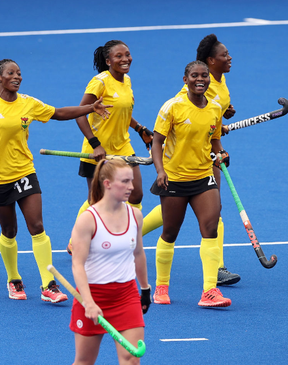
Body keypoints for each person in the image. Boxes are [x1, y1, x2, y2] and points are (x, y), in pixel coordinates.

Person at [0, 59, 111, 302]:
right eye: (11, 73)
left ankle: (48, 284)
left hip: (25, 172)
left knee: (37, 226)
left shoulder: (28, 103)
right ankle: (14, 278)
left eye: (19, 73)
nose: (17, 76)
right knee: (9, 231)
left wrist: (90, 108)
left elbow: (58, 113)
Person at [142, 34, 241, 286]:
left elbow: (214, 113)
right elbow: (184, 111)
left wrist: (223, 115)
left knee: (212, 211)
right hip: (180, 160)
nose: (229, 58)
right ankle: (130, 238)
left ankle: (216, 269)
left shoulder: (219, 79)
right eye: (224, 55)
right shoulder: (186, 93)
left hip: (205, 155)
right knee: (174, 217)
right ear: (210, 61)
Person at [149, 60, 231, 307]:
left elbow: (214, 140)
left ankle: (209, 291)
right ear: (185, 80)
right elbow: (156, 142)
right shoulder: (172, 107)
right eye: (195, 75)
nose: (200, 79)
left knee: (210, 229)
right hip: (174, 179)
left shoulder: (215, 109)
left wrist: (222, 154)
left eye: (204, 76)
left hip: (203, 177)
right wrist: (160, 171)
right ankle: (161, 287)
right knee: (170, 233)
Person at [69, 40, 159, 253]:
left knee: (136, 194)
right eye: (118, 56)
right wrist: (95, 144)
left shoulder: (126, 80)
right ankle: (77, 239)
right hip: (99, 151)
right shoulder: (99, 82)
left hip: (123, 146)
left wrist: (139, 128)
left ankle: (130, 236)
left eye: (127, 54)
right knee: (96, 201)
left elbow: (121, 111)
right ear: (108, 61)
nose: (125, 59)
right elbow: (80, 114)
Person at [70, 158, 151, 365]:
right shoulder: (88, 220)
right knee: (84, 361)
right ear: (107, 184)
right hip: (92, 296)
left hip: (126, 296)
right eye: (124, 182)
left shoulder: (135, 215)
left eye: (131, 181)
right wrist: (88, 302)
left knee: (131, 359)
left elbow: (139, 254)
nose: (131, 187)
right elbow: (77, 264)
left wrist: (145, 289)